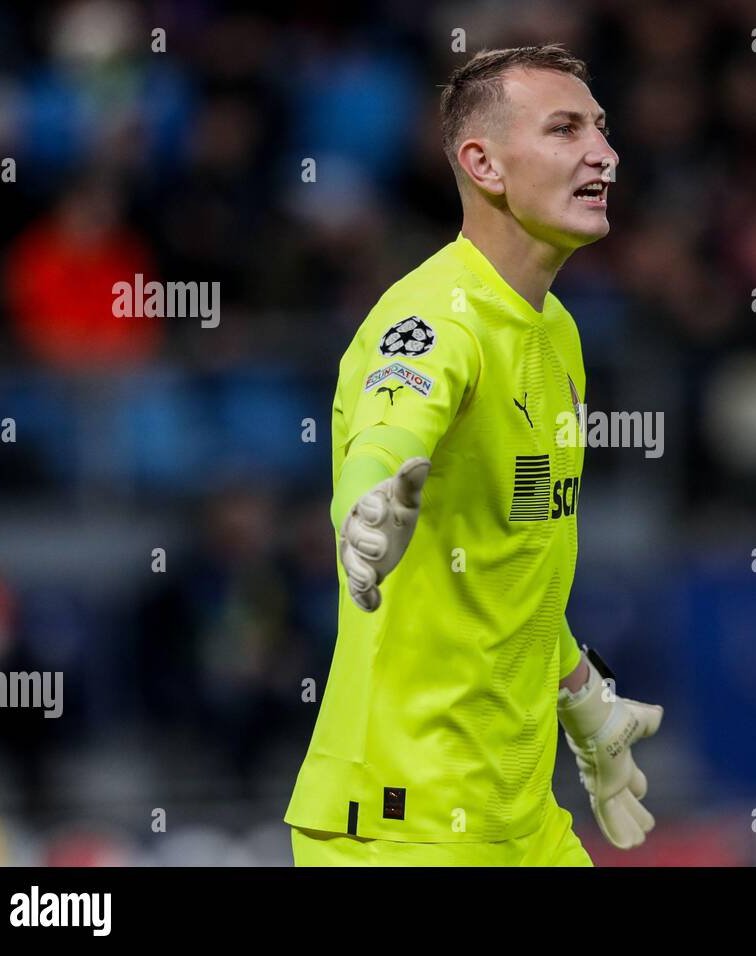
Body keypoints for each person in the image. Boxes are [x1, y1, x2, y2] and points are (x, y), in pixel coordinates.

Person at [285, 44, 662, 866]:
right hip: (400, 827)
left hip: (523, 821)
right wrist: (363, 509)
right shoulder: (432, 320)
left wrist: (581, 697)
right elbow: (386, 442)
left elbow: (505, 559)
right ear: (482, 163)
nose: (605, 152)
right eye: (565, 129)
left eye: (601, 127)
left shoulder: (557, 332)